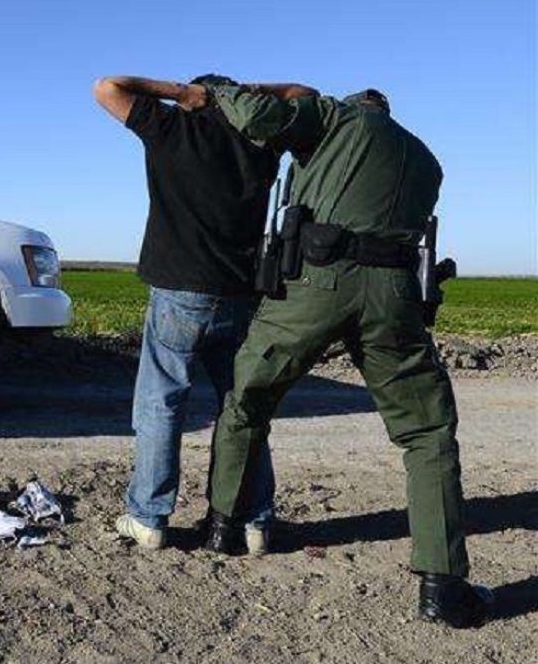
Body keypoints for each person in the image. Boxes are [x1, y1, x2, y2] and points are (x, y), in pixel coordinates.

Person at [192, 81, 492, 629]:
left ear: (357, 105)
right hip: (395, 296)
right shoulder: (426, 161)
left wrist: (220, 90)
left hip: (316, 284)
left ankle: (223, 528)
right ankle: (442, 585)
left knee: (248, 400)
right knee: (427, 434)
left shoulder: (334, 118)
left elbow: (260, 116)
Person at [92, 74, 281, 552]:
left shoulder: (171, 127)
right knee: (242, 408)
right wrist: (246, 95)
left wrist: (180, 94)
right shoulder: (260, 137)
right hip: (239, 294)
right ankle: (254, 521)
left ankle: (149, 516)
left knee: (161, 402)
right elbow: (306, 93)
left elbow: (106, 87)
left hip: (178, 290)